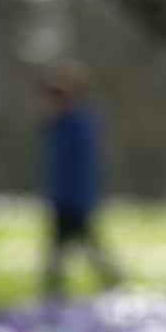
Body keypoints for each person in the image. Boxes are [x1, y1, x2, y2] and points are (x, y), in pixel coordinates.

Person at [41, 59, 120, 298]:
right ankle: (55, 287)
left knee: (83, 243)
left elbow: (83, 167)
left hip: (75, 198)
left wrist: (81, 196)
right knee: (63, 246)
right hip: (60, 196)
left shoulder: (79, 125)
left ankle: (109, 278)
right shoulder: (56, 125)